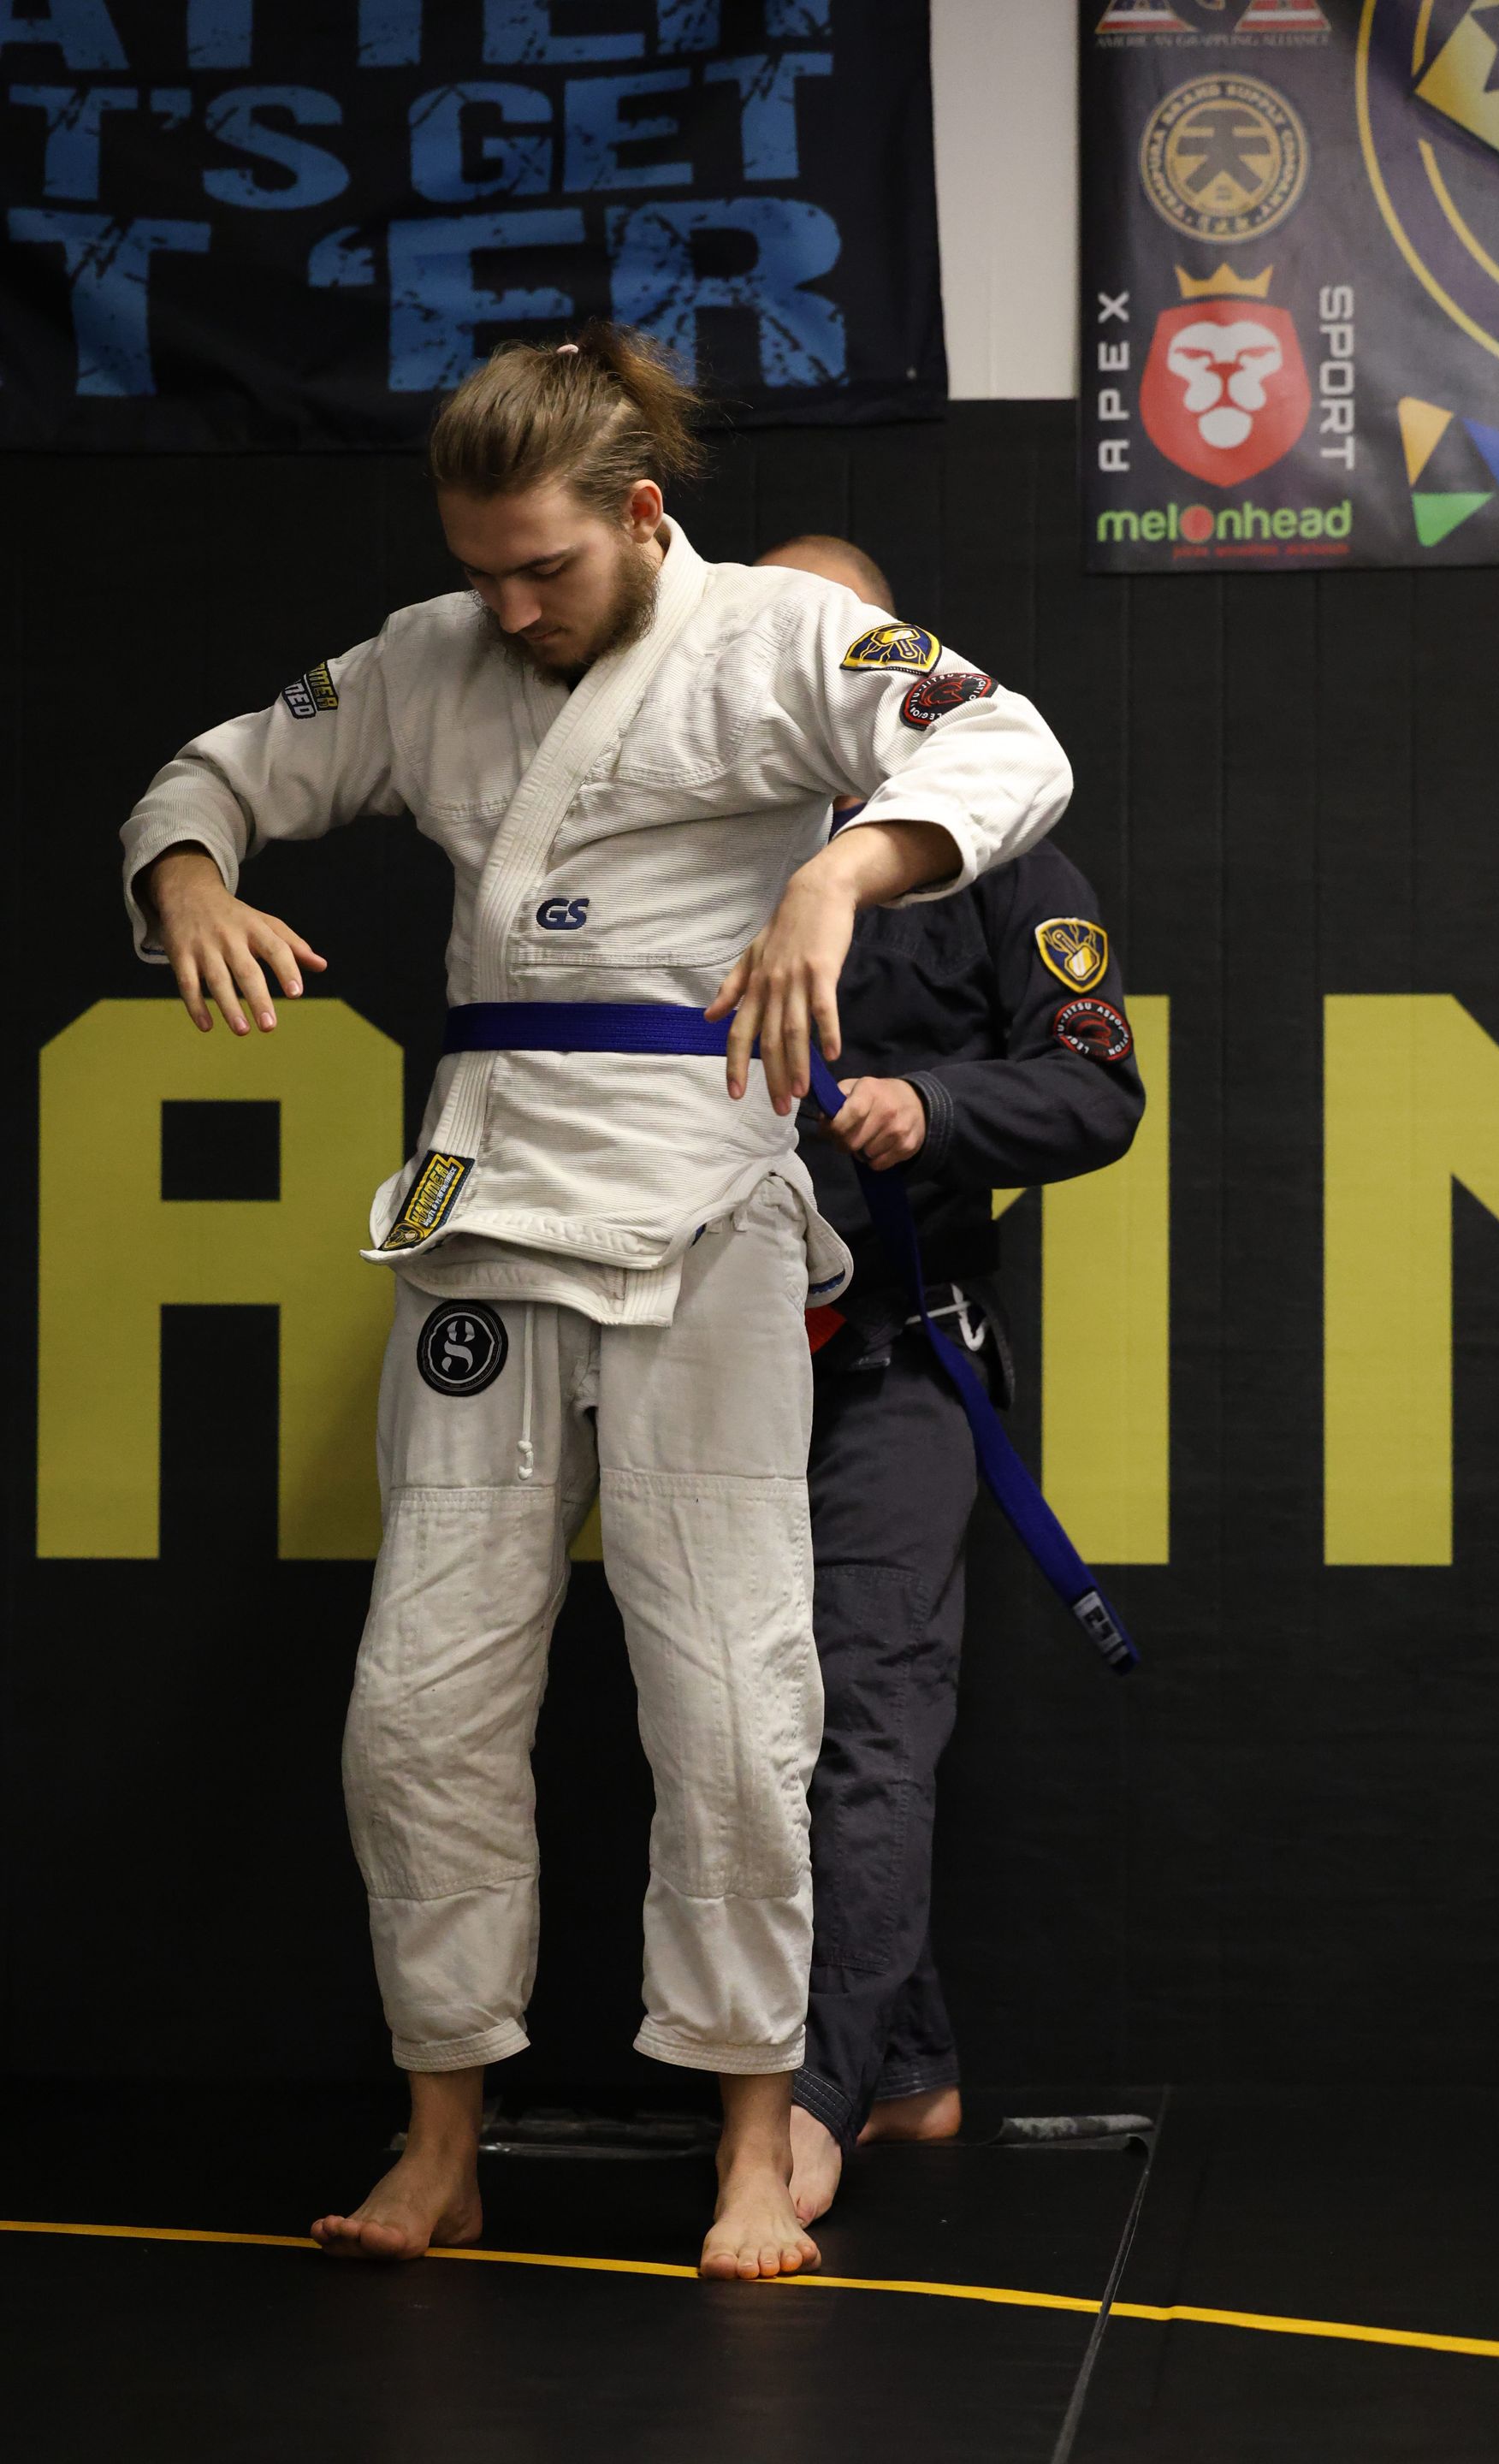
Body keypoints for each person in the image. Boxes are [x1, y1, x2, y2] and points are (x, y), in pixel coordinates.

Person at [117, 329, 1074, 2281]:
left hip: (702, 1200)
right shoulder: (433, 653)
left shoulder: (771, 648)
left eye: (545, 565)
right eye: (481, 568)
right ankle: (443, 2137)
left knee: (729, 1700)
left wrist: (840, 882)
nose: (511, 605)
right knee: (416, 1709)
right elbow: (214, 770)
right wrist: (198, 883)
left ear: (646, 513)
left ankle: (748, 2146)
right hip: (481, 1205)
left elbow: (1010, 745)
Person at [752, 536, 1145, 2227]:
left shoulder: (1000, 840)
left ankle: (814, 2107)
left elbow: (1098, 1098)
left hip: (904, 1358)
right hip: (704, 1347)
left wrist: (940, 1112)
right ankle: (908, 2073)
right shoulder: (698, 831)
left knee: (863, 1717)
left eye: (839, 632)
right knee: (746, 1733)